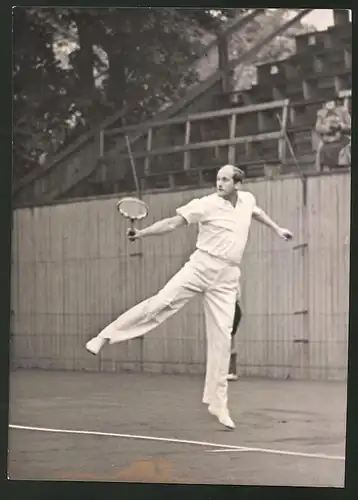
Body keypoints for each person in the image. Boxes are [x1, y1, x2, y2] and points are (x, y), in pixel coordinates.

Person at [85, 164, 293, 429]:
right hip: (200, 267)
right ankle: (105, 336)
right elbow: (173, 223)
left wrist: (278, 229)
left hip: (227, 277)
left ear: (238, 184)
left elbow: (256, 212)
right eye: (218, 178)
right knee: (159, 304)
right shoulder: (205, 204)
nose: (219, 183)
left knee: (222, 339)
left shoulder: (247, 200)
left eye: (226, 180)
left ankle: (218, 405)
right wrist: (142, 233)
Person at [315, 100, 351, 171]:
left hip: (343, 135)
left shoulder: (343, 111)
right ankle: (322, 169)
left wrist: (340, 126)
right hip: (328, 137)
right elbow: (317, 127)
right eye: (327, 103)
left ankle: (344, 166)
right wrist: (327, 128)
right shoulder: (321, 113)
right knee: (320, 149)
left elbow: (350, 125)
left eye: (331, 102)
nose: (329, 104)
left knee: (344, 147)